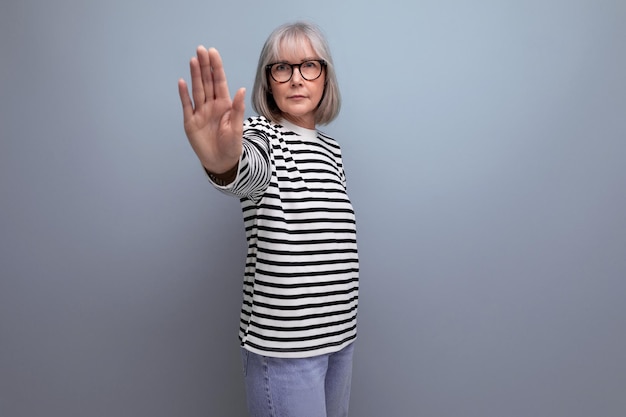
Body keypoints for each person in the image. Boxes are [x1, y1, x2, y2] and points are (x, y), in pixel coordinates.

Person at [178, 21, 359, 417]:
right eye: (282, 68)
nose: (296, 79)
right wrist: (222, 160)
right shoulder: (262, 135)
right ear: (269, 81)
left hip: (340, 337)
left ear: (325, 76)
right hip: (287, 348)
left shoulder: (333, 151)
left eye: (309, 65)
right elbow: (246, 170)